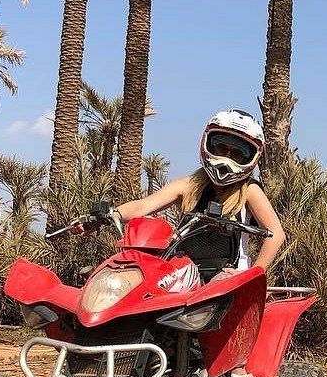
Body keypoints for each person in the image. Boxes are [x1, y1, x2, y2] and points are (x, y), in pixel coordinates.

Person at [106, 109, 286, 283]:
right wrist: (111, 214)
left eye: (238, 153)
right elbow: (142, 207)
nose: (227, 157)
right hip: (183, 271)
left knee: (220, 288)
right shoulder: (189, 185)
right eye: (221, 147)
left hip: (228, 276)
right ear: (208, 144)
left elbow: (276, 234)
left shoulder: (248, 190)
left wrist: (255, 272)